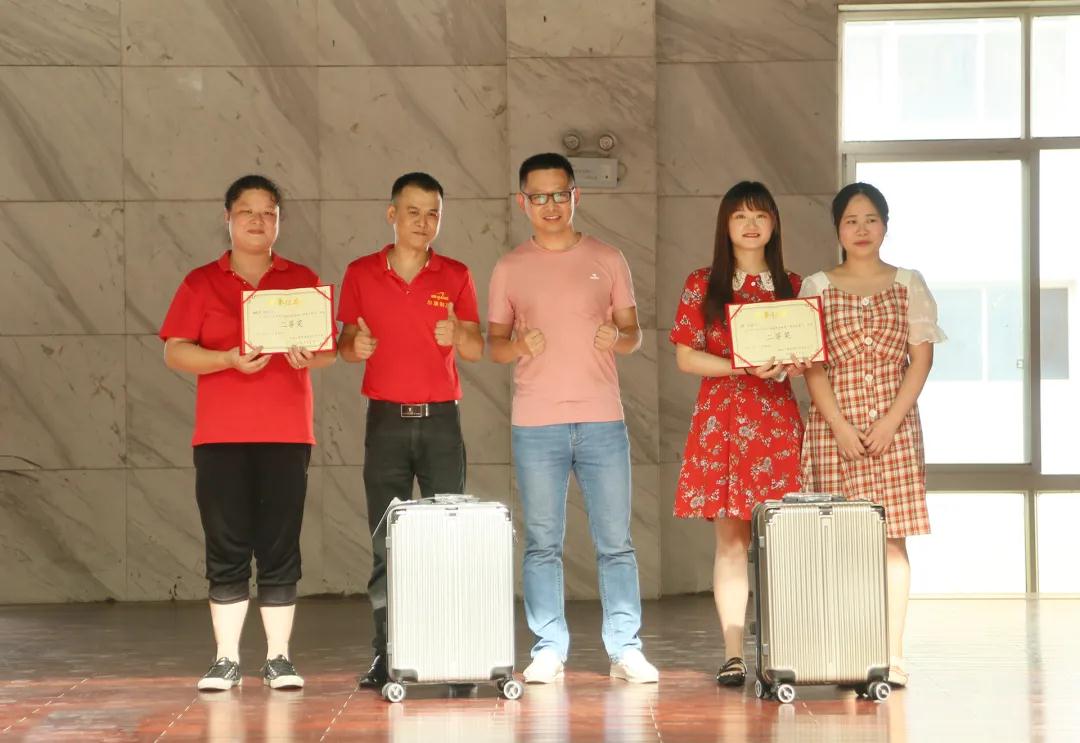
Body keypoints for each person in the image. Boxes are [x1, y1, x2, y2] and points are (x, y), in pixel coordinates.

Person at [487, 153, 658, 684]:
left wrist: (618, 338)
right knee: (542, 543)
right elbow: (494, 345)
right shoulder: (510, 267)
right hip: (536, 423)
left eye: (559, 194)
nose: (550, 205)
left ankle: (625, 648)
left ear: (575, 196)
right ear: (523, 202)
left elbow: (634, 334)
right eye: (538, 196)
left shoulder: (608, 258)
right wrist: (519, 345)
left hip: (602, 419)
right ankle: (548, 648)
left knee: (616, 542)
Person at [161, 174, 336, 691]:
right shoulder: (201, 282)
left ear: (279, 221)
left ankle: (279, 658)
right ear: (228, 218)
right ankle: (226, 659)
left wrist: (308, 356)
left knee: (280, 545)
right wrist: (226, 360)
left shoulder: (301, 279)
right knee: (227, 543)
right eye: (248, 212)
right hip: (220, 436)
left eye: (269, 213)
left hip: (286, 433)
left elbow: (327, 351)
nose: (259, 221)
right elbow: (174, 351)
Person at [336, 172, 483, 689]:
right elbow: (344, 343)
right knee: (387, 545)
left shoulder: (456, 274)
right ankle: (387, 655)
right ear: (392, 214)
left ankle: (456, 657)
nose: (423, 223)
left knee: (450, 541)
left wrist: (458, 332)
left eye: (433, 213)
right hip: (385, 422)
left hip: (441, 421)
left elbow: (475, 349)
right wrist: (354, 347)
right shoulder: (360, 273)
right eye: (414, 212)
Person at [799, 182, 945, 687]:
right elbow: (812, 365)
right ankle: (849, 650)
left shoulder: (909, 283)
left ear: (885, 225)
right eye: (851, 221)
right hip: (832, 429)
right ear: (837, 229)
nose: (861, 230)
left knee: (891, 542)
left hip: (894, 429)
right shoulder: (816, 286)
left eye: (871, 220)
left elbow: (920, 360)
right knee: (840, 543)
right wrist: (840, 426)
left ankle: (892, 655)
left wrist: (889, 422)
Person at [669, 180, 808, 687]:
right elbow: (686, 357)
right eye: (740, 216)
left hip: (776, 422)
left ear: (774, 224)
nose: (751, 225)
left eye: (761, 215)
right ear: (725, 225)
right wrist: (742, 367)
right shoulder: (703, 282)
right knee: (730, 540)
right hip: (723, 419)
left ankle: (784, 647)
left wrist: (793, 363)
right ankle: (733, 653)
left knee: (783, 537)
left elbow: (809, 356)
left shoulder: (793, 284)